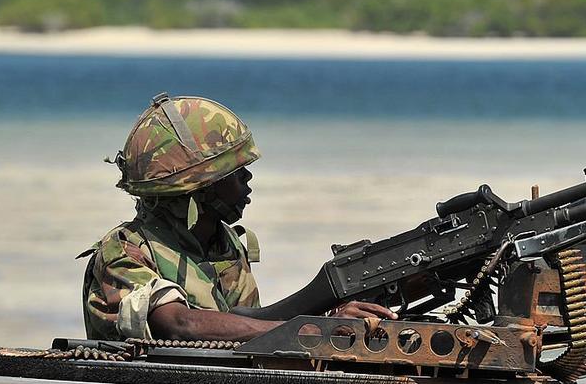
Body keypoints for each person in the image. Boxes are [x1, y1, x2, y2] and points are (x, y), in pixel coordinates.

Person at [80, 93, 396, 342]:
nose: (247, 180)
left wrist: (332, 314)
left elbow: (244, 326)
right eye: (234, 173)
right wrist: (317, 330)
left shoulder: (223, 243)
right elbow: (179, 324)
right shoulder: (126, 250)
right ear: (198, 189)